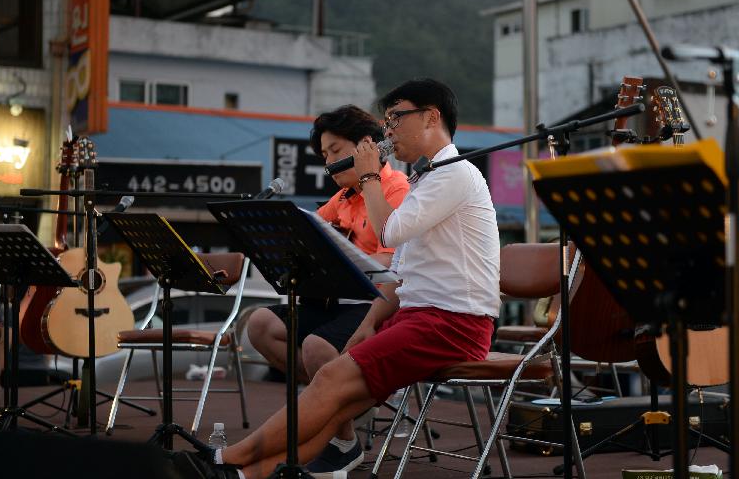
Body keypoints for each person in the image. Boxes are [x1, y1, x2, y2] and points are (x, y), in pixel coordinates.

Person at [176, 78, 500, 479]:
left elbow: (388, 234)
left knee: (329, 377)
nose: (389, 130)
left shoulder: (455, 173)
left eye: (396, 117)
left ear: (431, 116)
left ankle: (223, 460)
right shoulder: (428, 179)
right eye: (387, 120)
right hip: (421, 316)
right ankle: (244, 474)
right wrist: (368, 324)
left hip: (453, 321)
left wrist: (368, 176)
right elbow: (401, 273)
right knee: (336, 403)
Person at [245, 104, 409, 475]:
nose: (329, 162)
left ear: (366, 145)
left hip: (375, 304)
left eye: (335, 152)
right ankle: (335, 405)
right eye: (324, 155)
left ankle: (342, 440)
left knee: (317, 346)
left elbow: (393, 264)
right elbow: (306, 238)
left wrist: (344, 259)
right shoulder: (342, 198)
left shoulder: (396, 188)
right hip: (333, 301)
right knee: (259, 325)